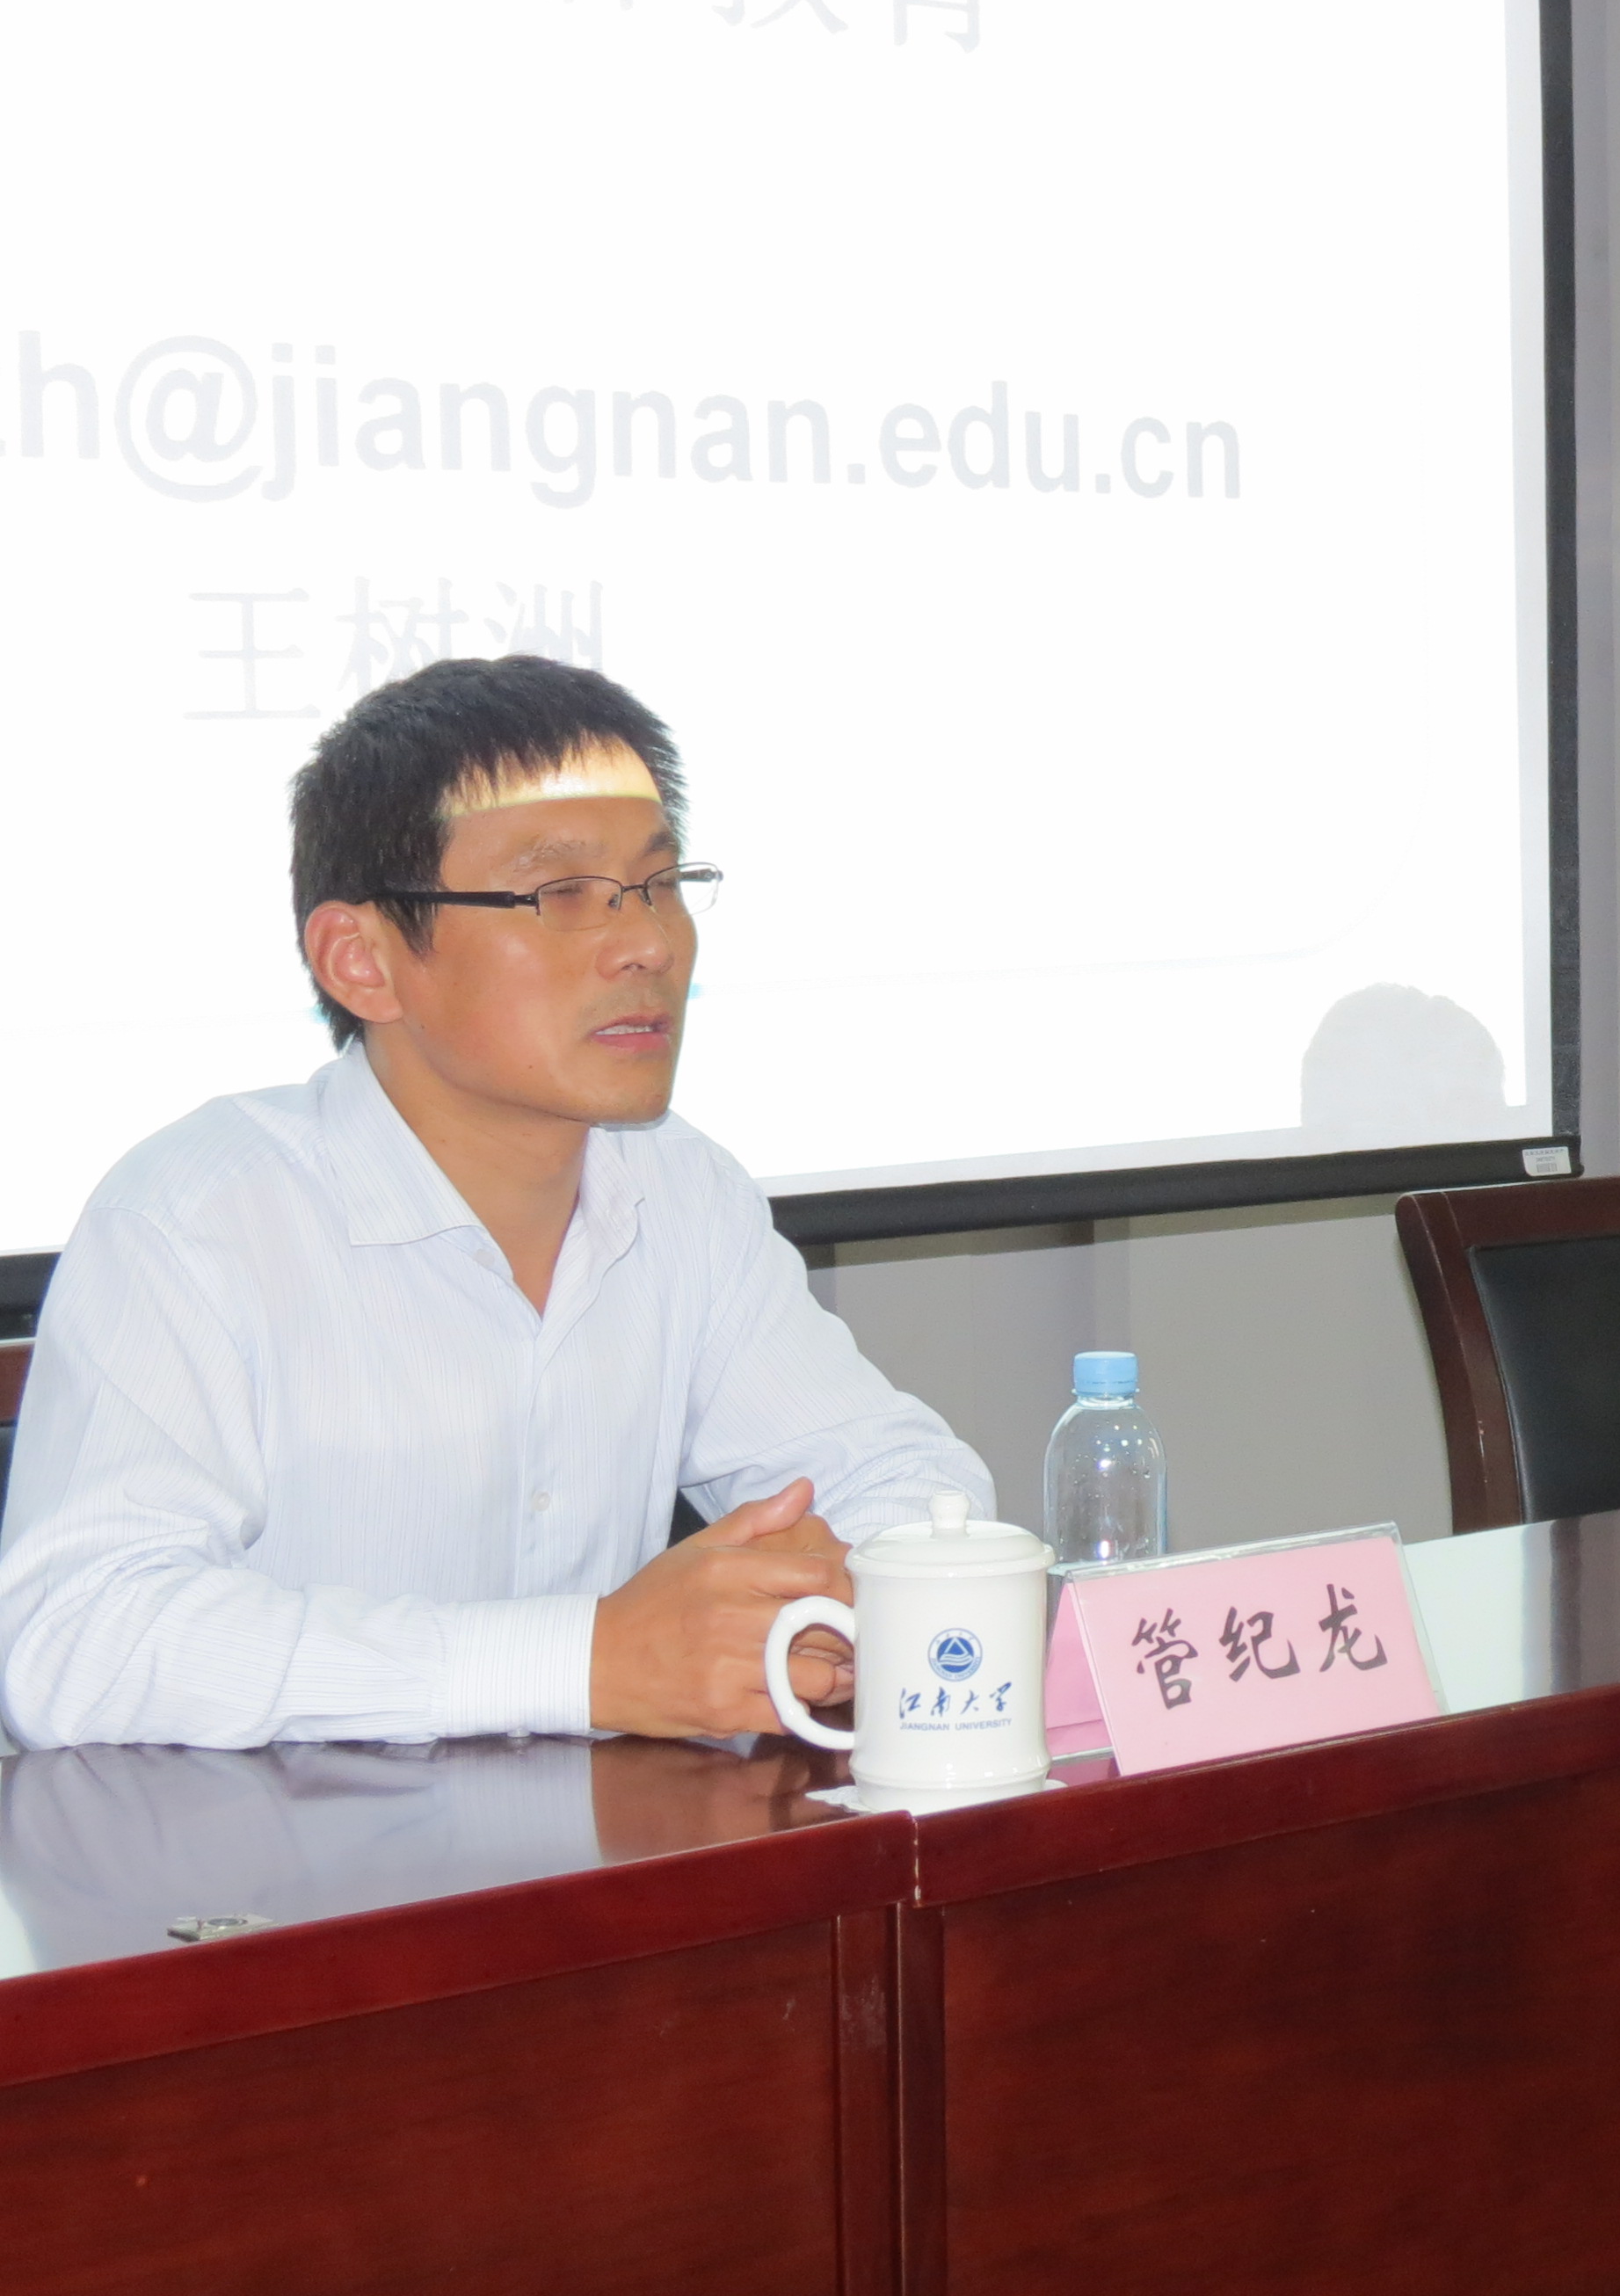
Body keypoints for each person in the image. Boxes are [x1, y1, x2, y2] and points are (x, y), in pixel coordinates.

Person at [0, 657, 990, 1750]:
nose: (650, 943)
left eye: (660, 883)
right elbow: (78, 1639)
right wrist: (582, 1661)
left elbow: (906, 1482)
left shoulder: (680, 1189)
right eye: (561, 896)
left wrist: (835, 1597)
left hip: (605, 1842)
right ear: (362, 962)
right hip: (283, 1856)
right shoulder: (194, 1222)